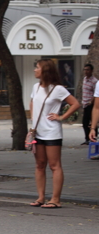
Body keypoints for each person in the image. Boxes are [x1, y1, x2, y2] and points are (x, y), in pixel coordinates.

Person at [28, 58, 79, 209]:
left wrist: (61, 117)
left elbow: (75, 103)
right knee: (39, 165)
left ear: (45, 71)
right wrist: (33, 118)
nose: (34, 70)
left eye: (37, 68)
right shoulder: (35, 87)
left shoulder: (57, 89)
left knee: (54, 165)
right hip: (37, 132)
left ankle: (55, 199)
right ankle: (41, 197)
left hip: (52, 132)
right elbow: (32, 102)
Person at [80, 63, 96, 144]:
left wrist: (91, 101)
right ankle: (87, 139)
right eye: (85, 70)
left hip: (91, 104)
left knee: (92, 122)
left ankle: (93, 138)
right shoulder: (84, 79)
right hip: (85, 103)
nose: (86, 71)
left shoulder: (94, 81)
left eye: (88, 70)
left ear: (91, 71)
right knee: (85, 123)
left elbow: (95, 93)